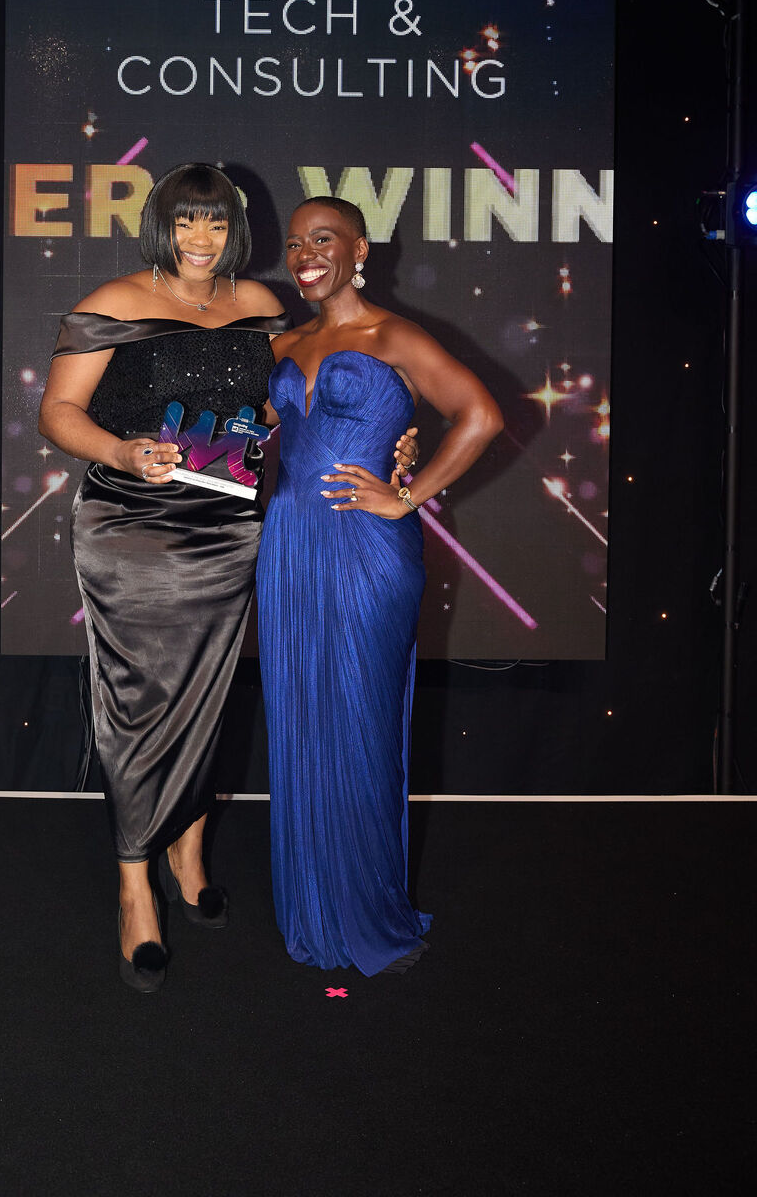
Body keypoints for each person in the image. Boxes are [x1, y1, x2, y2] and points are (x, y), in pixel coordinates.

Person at [38, 163, 290, 991]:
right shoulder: (115, 301)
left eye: (214, 223)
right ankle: (133, 885)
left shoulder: (259, 304)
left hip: (228, 529)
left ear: (235, 230)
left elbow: (282, 402)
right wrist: (120, 450)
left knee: (206, 697)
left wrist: (280, 421)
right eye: (185, 221)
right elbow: (58, 412)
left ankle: (189, 855)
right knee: (140, 704)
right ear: (161, 227)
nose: (200, 238)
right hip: (131, 526)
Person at [256, 197, 504, 976]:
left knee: (361, 722)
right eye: (295, 243)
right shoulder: (284, 343)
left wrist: (408, 493)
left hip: (368, 547)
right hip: (289, 547)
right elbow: (254, 433)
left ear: (359, 250)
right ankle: (316, 909)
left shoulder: (394, 337)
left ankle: (371, 915)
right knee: (300, 718)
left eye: (323, 239)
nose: (306, 254)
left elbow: (480, 415)